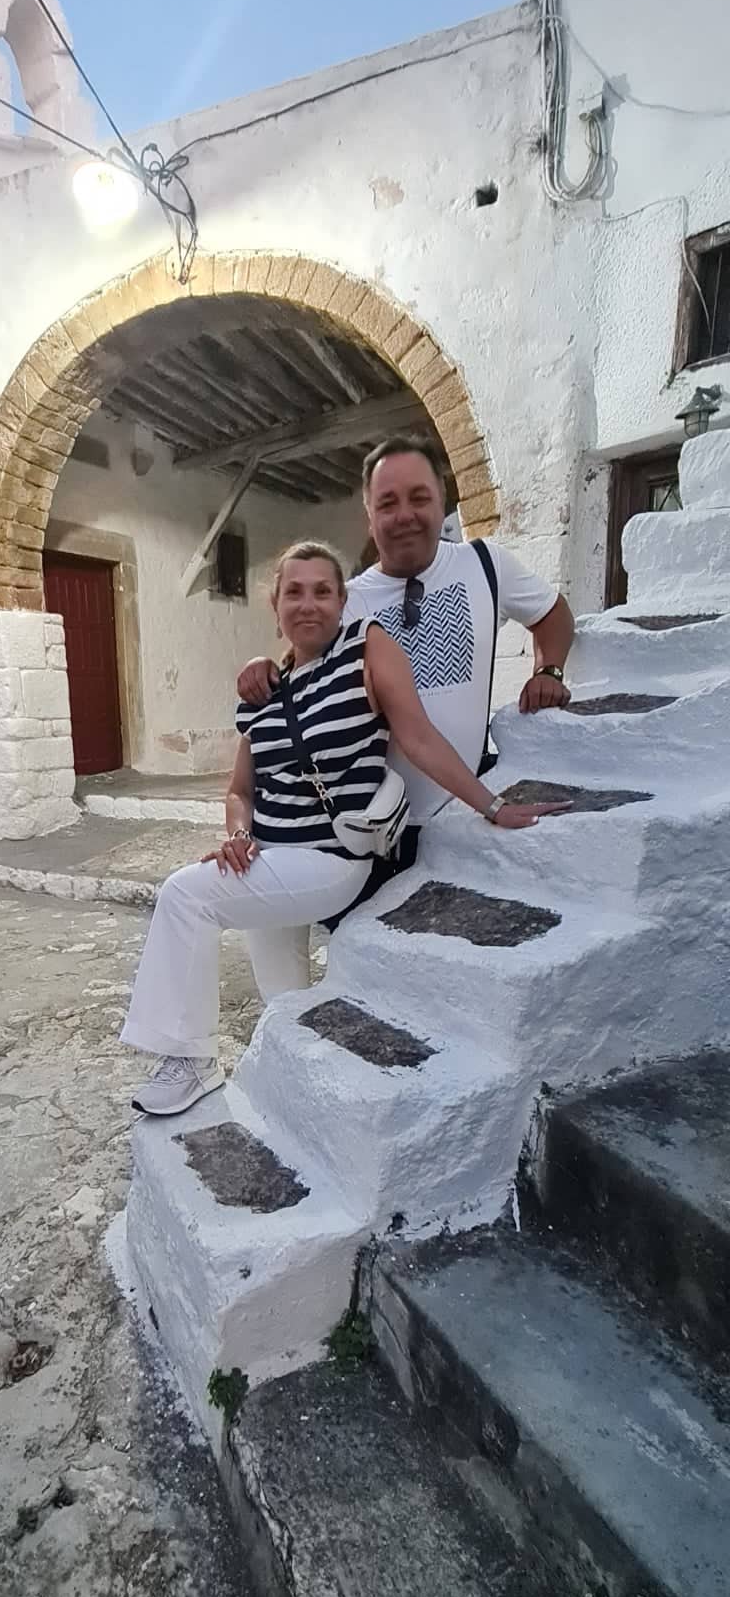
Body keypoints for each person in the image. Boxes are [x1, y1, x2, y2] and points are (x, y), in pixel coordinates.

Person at [122, 541, 569, 1117]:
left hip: (329, 859)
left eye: (322, 591)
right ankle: (309, 1105)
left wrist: (493, 805)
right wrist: (238, 834)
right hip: (267, 860)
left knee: (185, 895)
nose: (308, 604)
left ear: (342, 601)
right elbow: (240, 791)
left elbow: (418, 736)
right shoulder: (262, 692)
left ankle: (189, 1060)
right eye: (294, 592)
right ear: (275, 605)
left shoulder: (366, 646)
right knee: (283, 1003)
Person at [238, 436, 576, 838]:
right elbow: (300, 672)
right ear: (369, 516)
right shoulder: (347, 602)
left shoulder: (486, 565)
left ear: (441, 500)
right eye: (387, 504)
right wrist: (263, 668)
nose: (404, 516)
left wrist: (548, 671)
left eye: (418, 498)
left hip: (465, 819)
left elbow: (553, 614)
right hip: (371, 830)